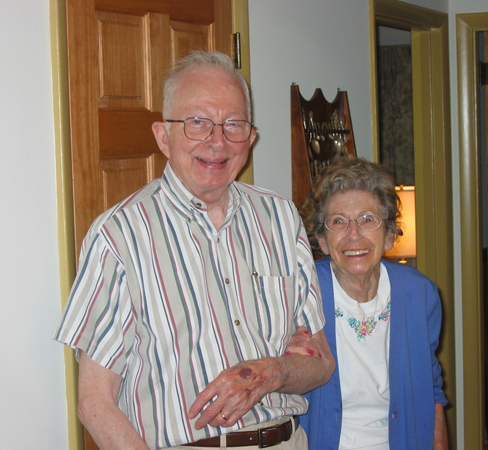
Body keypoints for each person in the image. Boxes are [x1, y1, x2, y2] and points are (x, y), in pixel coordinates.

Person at [52, 50, 334, 450]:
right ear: (163, 136)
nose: (217, 141)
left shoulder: (281, 218)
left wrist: (272, 372)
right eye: (197, 122)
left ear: (250, 138)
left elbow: (320, 362)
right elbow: (94, 404)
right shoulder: (119, 235)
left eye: (233, 124)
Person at [291, 158, 448, 450]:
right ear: (323, 241)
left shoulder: (419, 293)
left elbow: (431, 390)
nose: (354, 235)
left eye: (367, 220)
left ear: (388, 234)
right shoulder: (302, 294)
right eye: (338, 222)